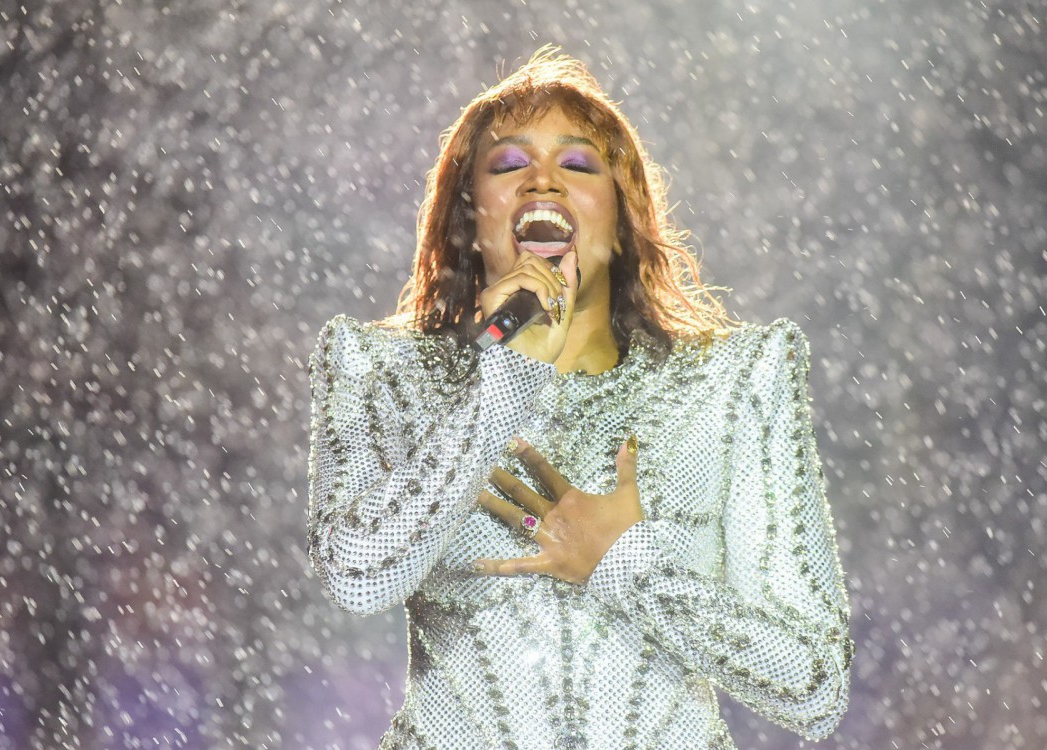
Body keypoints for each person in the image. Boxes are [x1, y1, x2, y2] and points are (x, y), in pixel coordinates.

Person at [307, 45, 854, 750]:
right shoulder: (382, 369)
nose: (542, 181)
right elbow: (357, 575)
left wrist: (622, 562)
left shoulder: (730, 384)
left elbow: (814, 685)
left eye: (576, 165)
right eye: (508, 166)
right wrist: (502, 384)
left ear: (622, 215)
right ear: (470, 218)